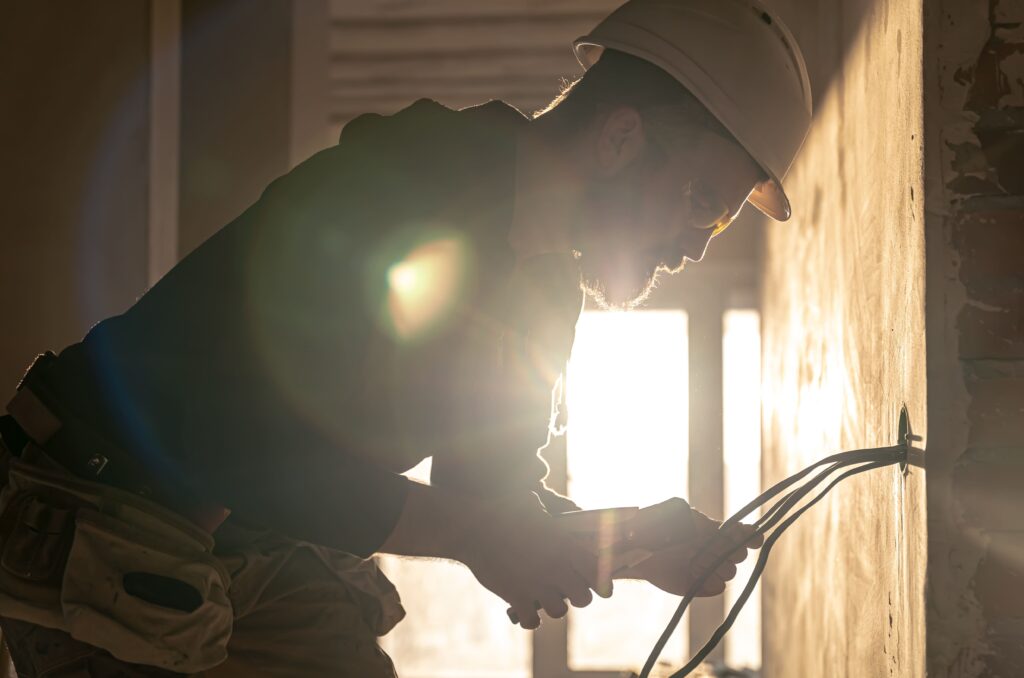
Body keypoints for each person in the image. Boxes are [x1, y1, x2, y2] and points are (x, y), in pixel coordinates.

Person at [0, 0, 811, 675]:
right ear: (622, 137)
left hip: (235, 530)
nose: (702, 242)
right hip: (92, 497)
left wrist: (629, 542)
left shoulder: (543, 291)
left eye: (724, 217)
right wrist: (479, 533)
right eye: (703, 199)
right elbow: (230, 439)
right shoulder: (401, 188)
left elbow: (487, 500)